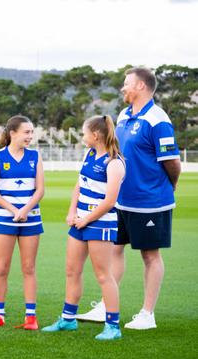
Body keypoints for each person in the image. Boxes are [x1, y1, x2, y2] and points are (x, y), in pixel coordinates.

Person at [75, 68, 181, 330]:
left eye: (127, 84)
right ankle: (106, 305)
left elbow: (172, 162)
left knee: (150, 255)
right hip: (121, 200)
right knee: (115, 249)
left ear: (142, 87)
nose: (123, 89)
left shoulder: (158, 120)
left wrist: (170, 186)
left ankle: (148, 314)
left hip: (150, 201)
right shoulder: (123, 116)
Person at [42, 115, 125, 341]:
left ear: (95, 135)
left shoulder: (114, 162)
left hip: (101, 223)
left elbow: (110, 201)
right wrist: (72, 212)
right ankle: (68, 319)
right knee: (72, 270)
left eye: (84, 132)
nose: (82, 135)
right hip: (80, 221)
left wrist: (86, 218)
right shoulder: (89, 154)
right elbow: (79, 186)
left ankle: (113, 326)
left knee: (103, 275)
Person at [0, 115, 44, 330]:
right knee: (2, 268)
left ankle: (31, 317)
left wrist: (25, 210)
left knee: (28, 267)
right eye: (26, 132)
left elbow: (40, 190)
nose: (30, 136)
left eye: (31, 132)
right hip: (5, 218)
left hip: (31, 219)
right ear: (13, 133)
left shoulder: (35, 156)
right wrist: (13, 210)